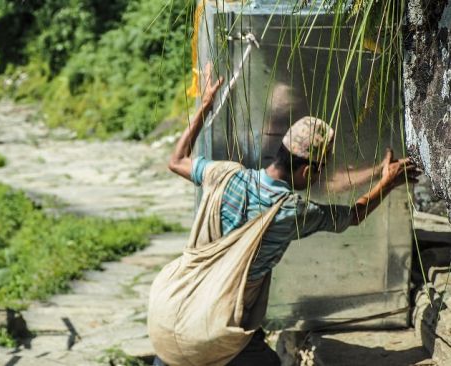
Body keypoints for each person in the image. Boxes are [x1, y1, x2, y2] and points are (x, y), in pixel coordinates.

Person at [156, 65, 421, 365]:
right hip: (212, 331)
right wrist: (387, 182)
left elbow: (176, 160)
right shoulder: (291, 212)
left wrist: (205, 104)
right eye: (321, 170)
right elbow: (356, 214)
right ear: (307, 170)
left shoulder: (224, 175)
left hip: (170, 316)